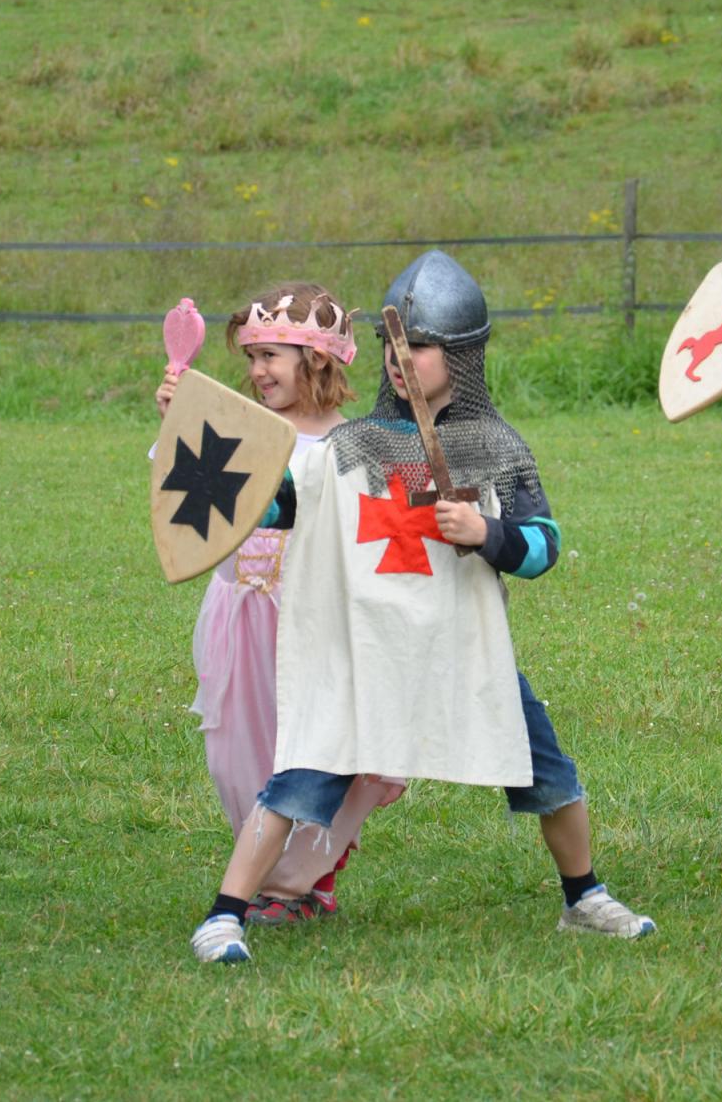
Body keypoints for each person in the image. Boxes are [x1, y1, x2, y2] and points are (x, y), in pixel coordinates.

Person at [190, 250, 654, 965]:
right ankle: (225, 918)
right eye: (391, 344)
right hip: (366, 646)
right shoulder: (346, 447)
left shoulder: (494, 447)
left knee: (548, 772)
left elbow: (544, 544)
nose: (402, 359)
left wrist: (487, 533)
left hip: (463, 645)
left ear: (462, 356)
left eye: (423, 345)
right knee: (303, 773)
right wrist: (203, 437)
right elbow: (276, 504)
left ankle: (584, 898)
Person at [155, 283, 401, 934]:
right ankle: (271, 870)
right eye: (252, 356)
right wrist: (179, 424)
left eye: (273, 356)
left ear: (318, 360)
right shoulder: (241, 429)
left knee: (319, 750)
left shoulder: (356, 444)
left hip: (315, 618)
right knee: (238, 753)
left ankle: (302, 879)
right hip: (240, 613)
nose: (258, 371)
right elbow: (187, 495)